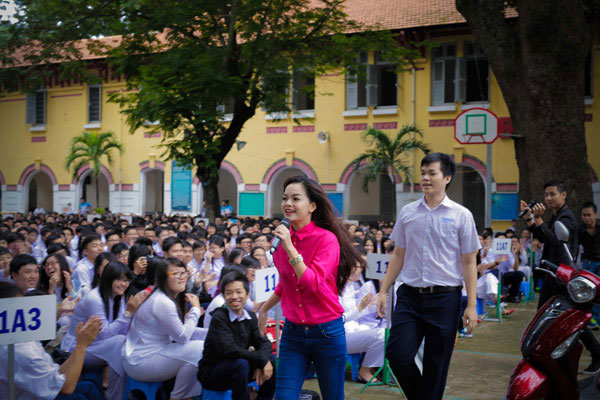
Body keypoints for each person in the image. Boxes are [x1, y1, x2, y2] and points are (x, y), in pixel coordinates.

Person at [374, 153, 480, 400]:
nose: (425, 178)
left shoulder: (461, 215)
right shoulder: (408, 212)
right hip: (410, 296)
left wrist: (472, 305)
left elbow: (469, 261)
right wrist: (383, 291)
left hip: (445, 299)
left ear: (447, 178)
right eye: (423, 172)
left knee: (436, 364)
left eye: (432, 173)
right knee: (397, 355)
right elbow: (399, 254)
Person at [258, 176, 362, 400]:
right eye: (285, 198)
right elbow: (287, 284)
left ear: (312, 206)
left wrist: (290, 247)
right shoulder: (283, 241)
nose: (288, 203)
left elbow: (312, 283)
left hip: (327, 332)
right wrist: (264, 309)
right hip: (293, 333)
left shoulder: (327, 240)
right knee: (284, 397)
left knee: (332, 396)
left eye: (296, 198)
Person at [520, 181, 600, 374]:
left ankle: (595, 353)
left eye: (552, 194)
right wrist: (531, 219)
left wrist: (538, 219)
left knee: (569, 320)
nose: (548, 198)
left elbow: (555, 241)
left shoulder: (567, 217)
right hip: (553, 274)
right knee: (549, 317)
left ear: (563, 195)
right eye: (546, 195)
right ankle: (547, 355)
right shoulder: (556, 215)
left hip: (562, 276)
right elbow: (544, 236)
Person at [0, 281, 104, 400]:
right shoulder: (22, 352)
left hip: (42, 387)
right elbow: (66, 388)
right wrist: (81, 345)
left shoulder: (20, 337)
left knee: (88, 386)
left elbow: (58, 375)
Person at [61, 261, 147, 400]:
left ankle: (125, 392)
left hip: (100, 347)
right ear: (108, 278)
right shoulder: (94, 298)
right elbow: (105, 333)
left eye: (126, 280)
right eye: (119, 279)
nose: (123, 284)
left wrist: (134, 315)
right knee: (118, 343)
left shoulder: (119, 296)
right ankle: (115, 396)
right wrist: (128, 314)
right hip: (77, 351)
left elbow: (123, 330)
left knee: (130, 342)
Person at [123, 257, 206, 400]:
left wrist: (212, 333)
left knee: (198, 349)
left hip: (149, 355)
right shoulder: (162, 302)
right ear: (163, 278)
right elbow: (182, 337)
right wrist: (196, 310)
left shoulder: (163, 297)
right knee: (199, 348)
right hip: (141, 362)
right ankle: (179, 397)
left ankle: (183, 395)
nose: (182, 278)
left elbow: (182, 331)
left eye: (183, 273)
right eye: (176, 274)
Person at [198, 272, 275, 400]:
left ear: (247, 294)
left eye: (239, 292)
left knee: (271, 360)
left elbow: (263, 342)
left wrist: (262, 362)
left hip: (238, 368)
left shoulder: (250, 317)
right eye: (229, 292)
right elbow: (230, 350)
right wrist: (260, 360)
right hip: (213, 372)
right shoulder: (219, 317)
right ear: (223, 295)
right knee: (241, 363)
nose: (234, 297)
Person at [579, 201, 600, 329]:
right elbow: (575, 246)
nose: (586, 218)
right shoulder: (579, 230)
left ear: (595, 214)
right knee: (589, 292)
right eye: (584, 215)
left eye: (589, 215)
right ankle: (591, 319)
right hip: (587, 263)